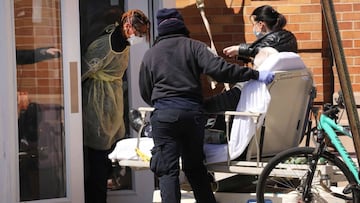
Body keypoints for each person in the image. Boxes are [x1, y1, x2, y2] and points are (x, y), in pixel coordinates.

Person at [138, 8, 274, 203]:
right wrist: (254, 74)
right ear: (180, 24)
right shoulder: (194, 47)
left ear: (160, 28)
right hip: (193, 114)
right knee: (195, 169)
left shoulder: (151, 54)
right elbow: (220, 70)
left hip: (165, 116)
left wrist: (164, 104)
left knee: (168, 171)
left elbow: (145, 90)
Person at [81, 9, 150, 203]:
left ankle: (106, 185)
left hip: (112, 100)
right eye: (139, 33)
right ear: (127, 27)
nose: (140, 37)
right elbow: (82, 72)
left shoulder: (123, 41)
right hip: (97, 101)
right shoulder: (103, 45)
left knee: (110, 148)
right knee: (98, 156)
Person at [223, 5, 297, 61]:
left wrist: (239, 49)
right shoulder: (288, 37)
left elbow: (262, 49)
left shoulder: (275, 39)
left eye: (253, 24)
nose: (253, 28)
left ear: (261, 25)